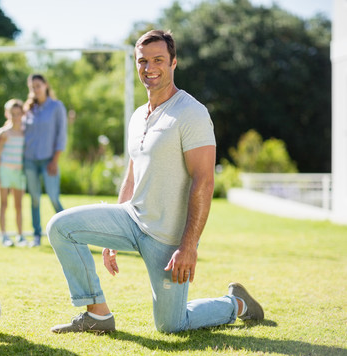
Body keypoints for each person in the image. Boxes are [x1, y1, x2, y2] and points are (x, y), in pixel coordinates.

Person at [47, 30, 264, 334]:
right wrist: (110, 239)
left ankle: (235, 304)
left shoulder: (191, 113)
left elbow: (204, 181)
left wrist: (188, 246)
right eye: (143, 61)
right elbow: (133, 173)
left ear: (174, 62)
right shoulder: (138, 116)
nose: (149, 68)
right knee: (60, 227)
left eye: (158, 60)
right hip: (131, 219)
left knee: (171, 325)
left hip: (167, 238)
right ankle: (97, 314)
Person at [22, 74, 67, 247]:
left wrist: (55, 160)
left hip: (49, 160)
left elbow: (61, 135)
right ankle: (36, 236)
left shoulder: (57, 107)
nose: (35, 89)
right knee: (34, 198)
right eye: (32, 86)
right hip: (30, 161)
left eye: (38, 85)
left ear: (46, 85)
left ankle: (70, 233)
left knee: (54, 198)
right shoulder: (29, 109)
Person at [0, 99, 27, 247]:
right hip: (4, 171)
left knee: (18, 206)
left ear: (22, 114)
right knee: (3, 204)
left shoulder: (26, 133)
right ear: (8, 114)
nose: (16, 116)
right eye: (13, 114)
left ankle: (20, 235)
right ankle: (4, 235)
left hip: (19, 172)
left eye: (18, 114)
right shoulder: (3, 133)